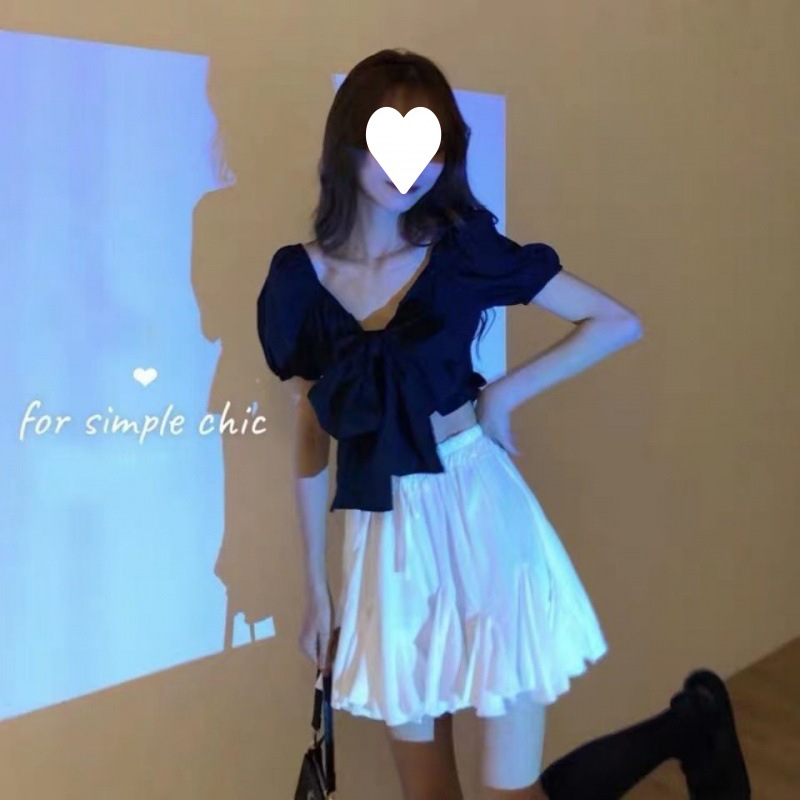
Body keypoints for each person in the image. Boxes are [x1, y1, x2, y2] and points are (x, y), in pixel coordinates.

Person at [256, 49, 750, 799]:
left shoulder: (462, 250)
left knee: (511, 793)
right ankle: (689, 725)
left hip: (480, 513)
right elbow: (310, 429)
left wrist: (503, 396)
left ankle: (685, 729)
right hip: (385, 542)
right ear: (347, 143)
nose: (408, 166)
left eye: (428, 144)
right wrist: (316, 590)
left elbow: (614, 320)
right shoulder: (297, 281)